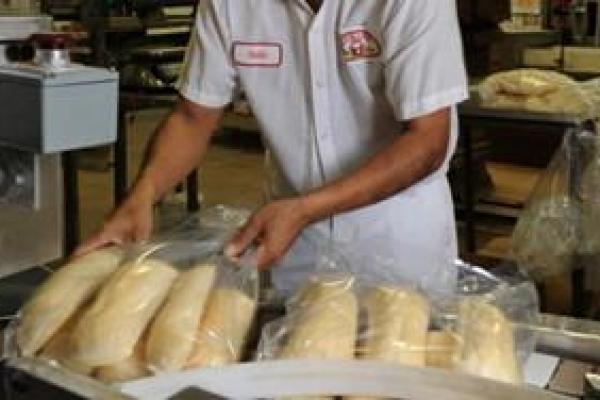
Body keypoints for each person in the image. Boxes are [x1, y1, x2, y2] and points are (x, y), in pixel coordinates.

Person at [77, 0, 468, 296]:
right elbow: (193, 117)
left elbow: (427, 140)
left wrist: (305, 210)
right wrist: (143, 194)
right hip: (292, 246)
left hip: (396, 244)